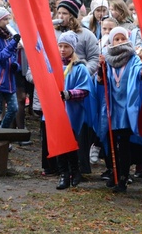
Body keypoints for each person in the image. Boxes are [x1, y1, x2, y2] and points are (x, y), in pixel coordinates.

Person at [96, 27, 142, 193]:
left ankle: (123, 177)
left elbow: (139, 73)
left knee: (124, 144)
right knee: (110, 141)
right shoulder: (107, 59)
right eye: (116, 39)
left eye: (122, 38)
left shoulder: (133, 59)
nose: (119, 42)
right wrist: (100, 71)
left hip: (126, 107)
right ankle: (114, 172)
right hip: (112, 107)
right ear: (111, 41)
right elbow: (101, 82)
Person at [55, 31, 95, 190]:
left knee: (71, 142)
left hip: (72, 112)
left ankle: (75, 170)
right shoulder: (55, 65)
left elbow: (85, 89)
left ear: (73, 48)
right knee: (59, 142)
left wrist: (69, 94)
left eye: (66, 46)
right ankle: (63, 174)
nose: (63, 49)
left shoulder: (79, 68)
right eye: (60, 46)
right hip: (56, 111)